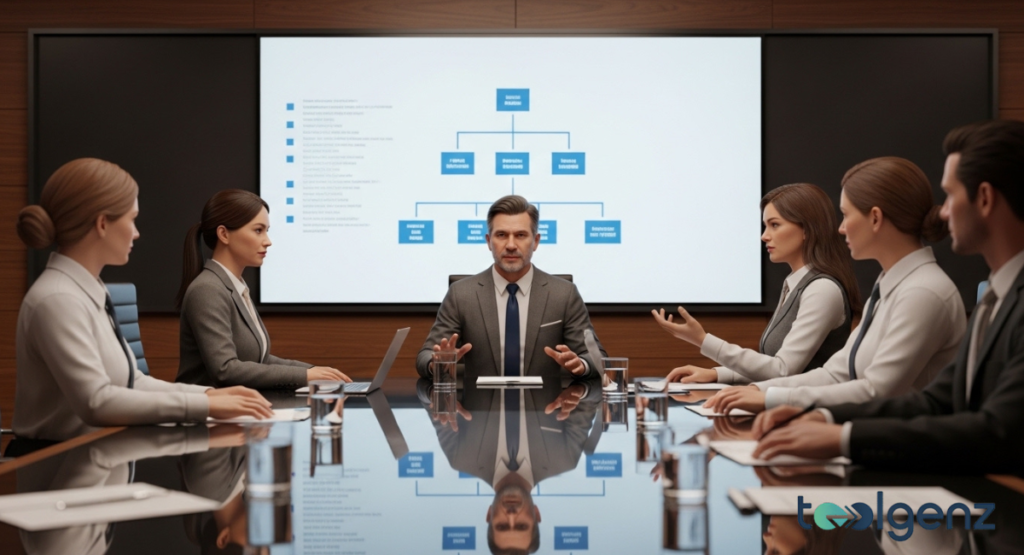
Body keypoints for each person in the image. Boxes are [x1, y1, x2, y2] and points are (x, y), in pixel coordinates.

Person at [751, 120, 1024, 475]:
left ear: (985, 198)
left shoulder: (928, 291)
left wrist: (841, 435)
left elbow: (995, 430)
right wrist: (821, 414)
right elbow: (935, 399)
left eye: (952, 195)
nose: (942, 211)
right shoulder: (991, 295)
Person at [12, 159, 271, 442]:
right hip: (60, 466)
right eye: (132, 219)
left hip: (100, 458)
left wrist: (210, 395)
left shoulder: (88, 291)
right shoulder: (58, 299)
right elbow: (96, 402)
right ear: (102, 224)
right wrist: (206, 404)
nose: (136, 232)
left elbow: (133, 382)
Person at [707, 156, 966, 414]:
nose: (841, 228)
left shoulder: (922, 292)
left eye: (845, 215)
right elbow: (835, 373)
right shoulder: (892, 283)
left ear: (875, 218)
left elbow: (877, 391)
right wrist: (760, 391)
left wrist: (770, 398)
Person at [652, 183, 859, 384]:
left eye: (774, 225)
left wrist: (703, 340)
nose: (764, 236)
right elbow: (774, 369)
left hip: (807, 411)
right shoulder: (796, 284)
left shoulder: (822, 289)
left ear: (807, 229)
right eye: (765, 226)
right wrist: (717, 374)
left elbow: (782, 370)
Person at [415, 195, 606, 380]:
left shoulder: (564, 294)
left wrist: (581, 364)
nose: (511, 245)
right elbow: (425, 357)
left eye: (521, 235)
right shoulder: (461, 294)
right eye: (501, 235)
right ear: (489, 241)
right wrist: (437, 363)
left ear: (536, 241)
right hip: (480, 409)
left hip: (546, 408)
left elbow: (596, 358)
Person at [175, 190, 350, 389]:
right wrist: (305, 375)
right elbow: (225, 370)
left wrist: (314, 372)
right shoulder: (207, 289)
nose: (268, 241)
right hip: (207, 413)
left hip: (237, 408)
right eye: (258, 230)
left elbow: (260, 360)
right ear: (224, 234)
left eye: (266, 230)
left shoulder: (233, 286)